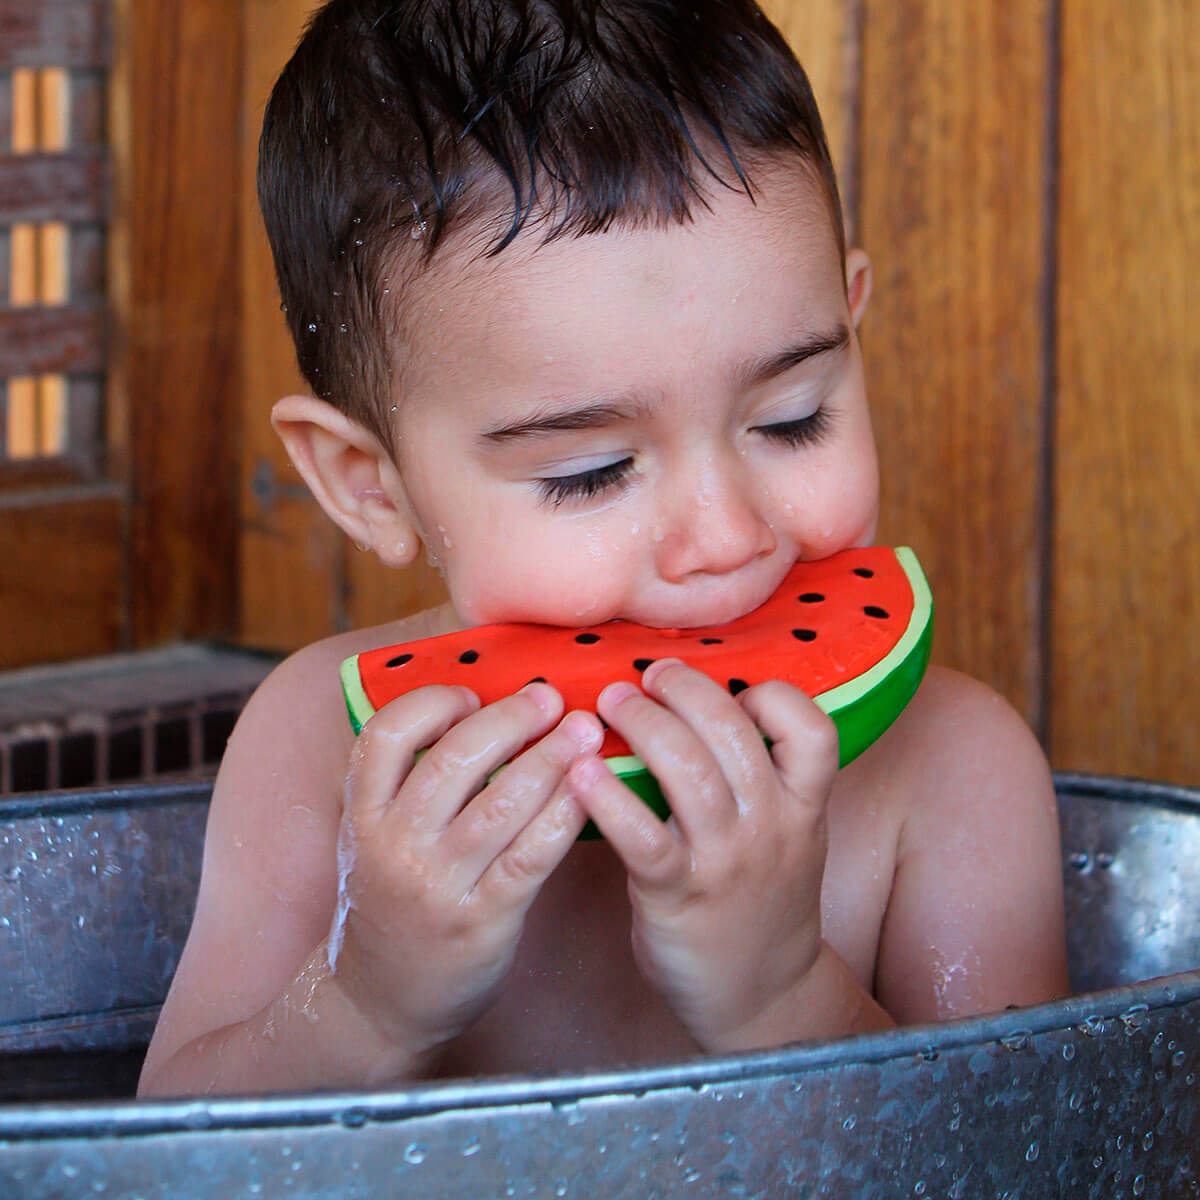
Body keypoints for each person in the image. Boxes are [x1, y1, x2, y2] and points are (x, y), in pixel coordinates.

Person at [137, 0, 1069, 1097]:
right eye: (587, 474)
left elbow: (1015, 1152)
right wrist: (364, 1004)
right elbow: (172, 1153)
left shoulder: (955, 770)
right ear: (367, 484)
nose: (726, 539)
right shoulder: (311, 743)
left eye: (793, 417)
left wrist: (781, 996)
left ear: (852, 331)